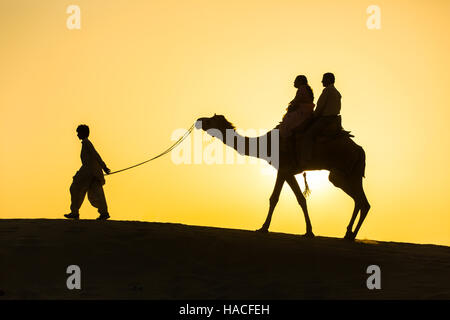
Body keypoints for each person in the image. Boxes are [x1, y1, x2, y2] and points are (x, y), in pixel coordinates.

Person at [64, 125, 111, 220]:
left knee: (75, 188)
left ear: (83, 133)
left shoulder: (86, 143)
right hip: (92, 172)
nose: (77, 135)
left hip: (89, 172)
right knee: (95, 192)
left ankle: (75, 212)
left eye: (78, 133)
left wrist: (104, 167)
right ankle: (103, 213)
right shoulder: (86, 143)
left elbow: (95, 155)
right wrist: (103, 167)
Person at [301, 72, 342, 162]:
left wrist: (312, 117)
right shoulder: (337, 93)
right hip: (335, 120)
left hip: (325, 119)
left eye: (324, 79)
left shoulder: (327, 91)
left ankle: (306, 159)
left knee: (307, 135)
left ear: (329, 80)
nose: (322, 81)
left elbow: (320, 107)